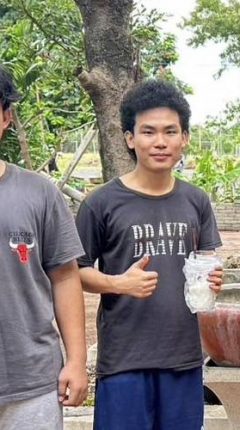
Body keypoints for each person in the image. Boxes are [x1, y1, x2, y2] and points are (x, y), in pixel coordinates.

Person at [75, 80, 223, 430]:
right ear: (130, 138)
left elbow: (206, 261)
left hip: (183, 359)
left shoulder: (196, 201)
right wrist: (118, 283)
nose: (160, 142)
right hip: (124, 361)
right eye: (148, 131)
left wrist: (212, 280)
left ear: (185, 138)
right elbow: (74, 272)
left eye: (170, 131)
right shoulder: (101, 203)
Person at [0, 66, 88, 428]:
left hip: (32, 381)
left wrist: (77, 361)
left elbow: (65, 277)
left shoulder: (39, 192)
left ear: (6, 117)